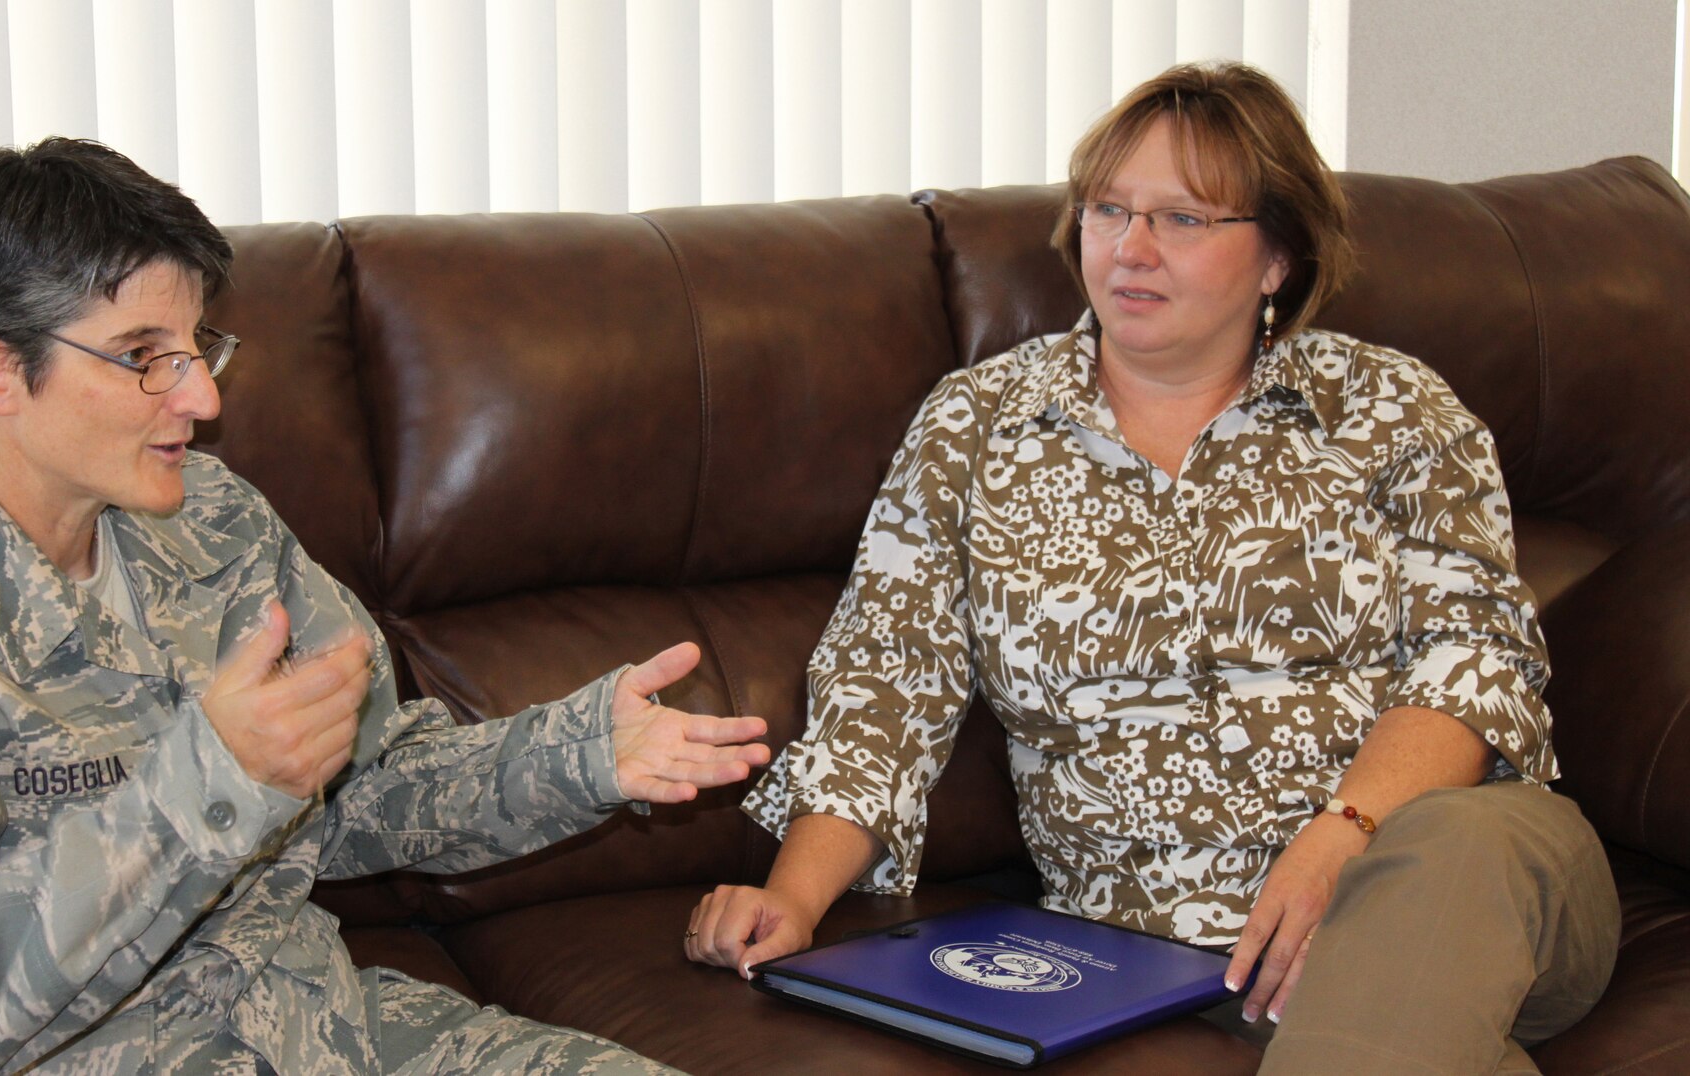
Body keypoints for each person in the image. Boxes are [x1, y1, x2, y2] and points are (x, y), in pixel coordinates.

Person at [0, 137, 769, 1076]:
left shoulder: (209, 521)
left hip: (324, 1024)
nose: (201, 398)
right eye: (144, 356)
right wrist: (212, 779)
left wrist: (578, 754)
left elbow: (366, 785)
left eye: (196, 347)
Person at [684, 62, 1617, 1073]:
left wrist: (1338, 836)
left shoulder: (1389, 409)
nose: (1128, 248)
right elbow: (884, 684)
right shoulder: (975, 425)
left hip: (1458, 868)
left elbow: (1470, 658)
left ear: (1276, 257)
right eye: (1105, 209)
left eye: (1181, 218)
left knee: (1444, 858)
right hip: (1158, 955)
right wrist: (789, 896)